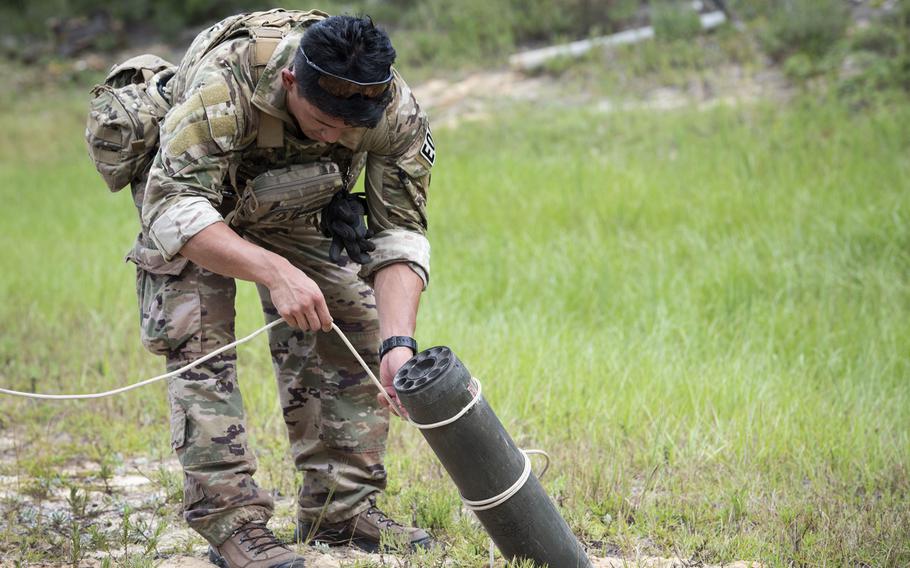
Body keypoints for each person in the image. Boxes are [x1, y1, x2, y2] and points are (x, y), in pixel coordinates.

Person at [127, 9, 435, 567]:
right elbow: (171, 207)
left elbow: (400, 234)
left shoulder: (395, 112)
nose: (336, 135)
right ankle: (232, 523)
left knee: (350, 320)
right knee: (198, 341)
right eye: (324, 121)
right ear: (292, 80)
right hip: (195, 204)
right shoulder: (227, 86)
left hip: (290, 200)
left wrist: (397, 345)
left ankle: (338, 512)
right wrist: (273, 271)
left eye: (350, 129)